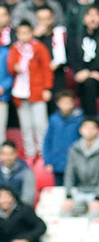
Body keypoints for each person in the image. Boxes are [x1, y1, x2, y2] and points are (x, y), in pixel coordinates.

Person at [8, 21, 51, 159]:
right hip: (20, 93)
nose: (23, 36)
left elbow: (46, 69)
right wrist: (15, 67)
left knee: (40, 125)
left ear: (31, 33)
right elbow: (10, 67)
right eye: (21, 33)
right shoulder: (15, 49)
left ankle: (44, 153)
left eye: (26, 33)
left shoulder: (39, 48)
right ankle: (30, 153)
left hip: (37, 91)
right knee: (26, 126)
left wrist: (47, 88)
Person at [61, 117, 99, 218]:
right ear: (81, 130)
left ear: (97, 130)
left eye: (92, 128)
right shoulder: (74, 148)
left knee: (94, 215)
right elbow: (69, 173)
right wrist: (68, 196)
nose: (89, 131)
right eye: (86, 128)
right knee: (64, 212)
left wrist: (98, 198)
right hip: (81, 190)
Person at [42, 91, 82, 186]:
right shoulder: (53, 119)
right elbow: (47, 141)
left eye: (69, 102)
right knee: (59, 191)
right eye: (63, 103)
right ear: (58, 104)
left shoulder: (79, 119)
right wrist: (48, 161)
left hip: (74, 164)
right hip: (57, 164)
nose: (66, 106)